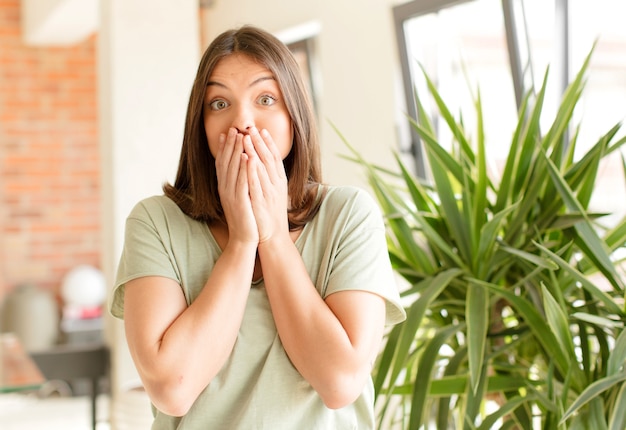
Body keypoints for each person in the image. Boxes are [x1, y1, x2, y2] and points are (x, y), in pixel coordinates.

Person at [110, 25, 406, 429]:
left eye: (265, 98)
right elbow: (172, 389)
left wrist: (273, 237)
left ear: (293, 115)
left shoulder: (348, 215)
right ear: (201, 124)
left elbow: (340, 382)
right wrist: (243, 242)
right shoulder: (155, 222)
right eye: (219, 103)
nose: (242, 121)